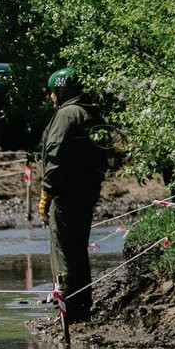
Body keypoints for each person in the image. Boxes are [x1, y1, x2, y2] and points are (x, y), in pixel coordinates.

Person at [38, 67, 106, 324]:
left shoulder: (67, 114)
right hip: (86, 193)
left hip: (66, 195)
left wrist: (47, 190)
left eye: (52, 92)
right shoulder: (91, 112)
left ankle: (69, 313)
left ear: (62, 89)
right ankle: (81, 309)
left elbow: (56, 155)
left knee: (64, 252)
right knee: (79, 251)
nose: (50, 97)